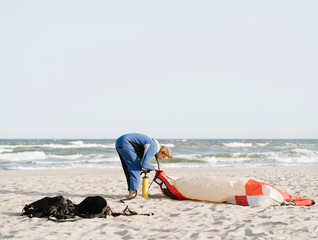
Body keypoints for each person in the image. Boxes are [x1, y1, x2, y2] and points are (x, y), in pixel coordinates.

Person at [115, 133, 173, 198]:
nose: (162, 159)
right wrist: (156, 167)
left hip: (119, 142)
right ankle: (133, 193)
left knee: (128, 168)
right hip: (125, 142)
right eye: (163, 156)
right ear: (161, 152)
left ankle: (131, 193)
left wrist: (150, 167)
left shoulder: (152, 144)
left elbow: (142, 162)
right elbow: (144, 164)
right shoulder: (153, 147)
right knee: (135, 168)